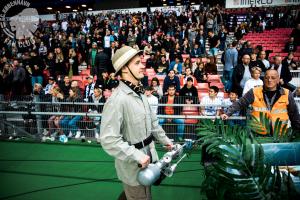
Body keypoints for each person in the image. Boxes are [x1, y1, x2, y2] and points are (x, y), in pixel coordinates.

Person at [99, 46, 173, 200]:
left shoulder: (140, 92)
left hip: (149, 158)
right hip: (133, 164)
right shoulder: (117, 100)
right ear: (124, 69)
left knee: (144, 195)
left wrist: (165, 141)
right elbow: (108, 139)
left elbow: (152, 122)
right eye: (137, 63)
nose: (142, 65)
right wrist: (137, 156)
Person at [221, 69, 300, 135]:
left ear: (278, 79)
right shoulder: (254, 91)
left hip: (281, 134)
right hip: (259, 133)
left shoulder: (287, 93)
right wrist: (228, 113)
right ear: (263, 79)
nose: (269, 80)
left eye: (273, 78)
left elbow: (294, 114)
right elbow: (240, 103)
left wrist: (297, 132)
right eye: (267, 77)